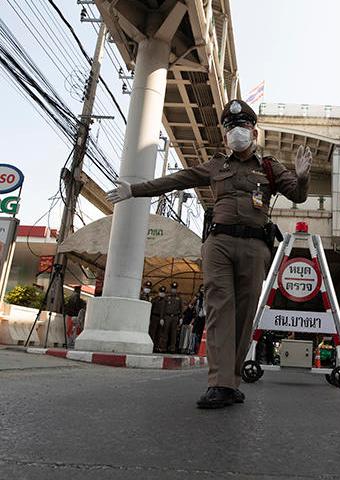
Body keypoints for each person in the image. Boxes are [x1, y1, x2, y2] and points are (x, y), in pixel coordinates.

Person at [106, 99, 311, 408]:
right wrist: (135, 190)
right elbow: (177, 179)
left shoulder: (269, 166)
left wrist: (303, 175)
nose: (236, 132)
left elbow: (298, 194)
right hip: (219, 244)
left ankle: (233, 382)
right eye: (230, 127)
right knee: (219, 308)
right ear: (225, 134)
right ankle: (219, 383)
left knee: (244, 316)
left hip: (256, 247)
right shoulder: (217, 165)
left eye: (242, 127)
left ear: (254, 132)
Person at [159, 281, 182, 353]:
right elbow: (163, 308)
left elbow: (181, 309)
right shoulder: (167, 297)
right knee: (165, 333)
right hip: (167, 317)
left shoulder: (179, 298)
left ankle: (172, 348)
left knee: (173, 334)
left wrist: (181, 318)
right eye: (172, 289)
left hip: (175, 317)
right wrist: (161, 318)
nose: (174, 290)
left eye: (175, 289)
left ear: (176, 289)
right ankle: (163, 348)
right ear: (171, 289)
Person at [150, 286, 167, 351]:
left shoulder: (165, 301)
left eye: (163, 292)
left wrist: (162, 318)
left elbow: (165, 310)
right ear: (158, 292)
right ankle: (152, 346)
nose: (162, 293)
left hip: (161, 318)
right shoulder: (154, 299)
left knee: (159, 333)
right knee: (152, 332)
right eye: (161, 292)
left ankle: (156, 347)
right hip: (154, 317)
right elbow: (151, 309)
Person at [191, 285, 206, 354]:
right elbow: (191, 305)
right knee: (196, 333)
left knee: (202, 334)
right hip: (198, 316)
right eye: (201, 289)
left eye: (203, 289)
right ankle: (194, 349)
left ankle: (201, 349)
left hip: (205, 317)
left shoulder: (207, 297)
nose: (202, 290)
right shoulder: (197, 298)